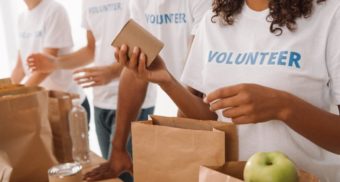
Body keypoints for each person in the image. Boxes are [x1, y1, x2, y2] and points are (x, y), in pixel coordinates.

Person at [111, 0, 340, 181]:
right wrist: (167, 81)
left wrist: (283, 107)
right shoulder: (214, 20)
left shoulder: (331, 14)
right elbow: (212, 118)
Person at [83, 0, 211, 181]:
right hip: (185, 101)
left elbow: (196, 84)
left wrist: (174, 149)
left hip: (214, 112)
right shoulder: (140, 2)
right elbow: (135, 72)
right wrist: (118, 149)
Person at [26, 0, 153, 181]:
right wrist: (56, 63)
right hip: (100, 100)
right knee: (109, 174)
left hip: (136, 98)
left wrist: (111, 71)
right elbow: (91, 50)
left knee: (126, 176)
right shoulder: (88, 3)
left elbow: (142, 48)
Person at [11, 0, 90, 117]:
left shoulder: (54, 10)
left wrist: (16, 98)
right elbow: (20, 67)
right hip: (44, 104)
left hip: (68, 104)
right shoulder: (21, 19)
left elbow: (45, 68)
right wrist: (7, 94)